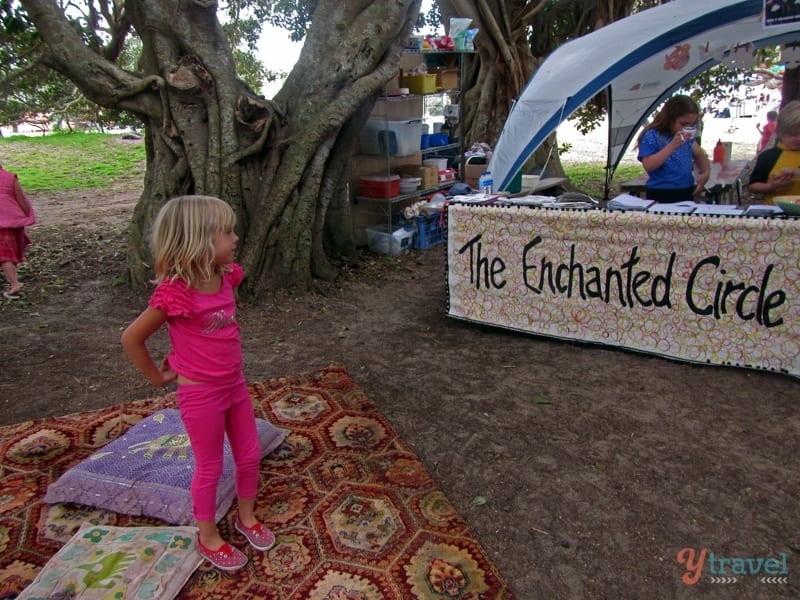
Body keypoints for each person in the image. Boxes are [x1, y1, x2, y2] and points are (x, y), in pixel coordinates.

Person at [121, 195, 274, 572]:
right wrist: (158, 377)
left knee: (250, 454)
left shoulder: (226, 275)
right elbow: (131, 338)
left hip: (234, 386)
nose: (236, 238)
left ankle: (246, 517)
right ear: (199, 240)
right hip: (200, 394)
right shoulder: (176, 293)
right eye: (227, 232)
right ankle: (208, 537)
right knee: (210, 465)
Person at [637, 95, 711, 203]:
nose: (687, 128)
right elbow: (649, 165)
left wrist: (706, 172)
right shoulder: (652, 135)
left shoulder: (687, 136)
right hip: (660, 191)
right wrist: (672, 146)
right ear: (670, 119)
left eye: (692, 125)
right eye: (683, 124)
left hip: (686, 189)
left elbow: (699, 155)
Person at [749, 100, 800, 204]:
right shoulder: (769, 156)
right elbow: (753, 186)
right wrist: (772, 186)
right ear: (780, 133)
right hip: (774, 211)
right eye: (793, 134)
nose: (799, 139)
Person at [0, 161, 34, 299]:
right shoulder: (10, 177)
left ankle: (14, 285)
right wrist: (27, 215)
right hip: (14, 220)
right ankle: (13, 279)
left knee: (4, 256)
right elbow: (21, 198)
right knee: (10, 252)